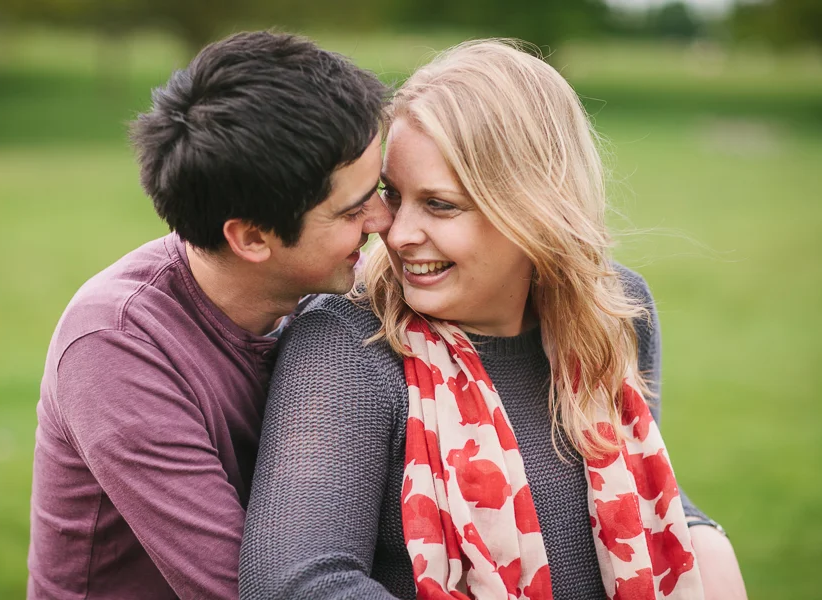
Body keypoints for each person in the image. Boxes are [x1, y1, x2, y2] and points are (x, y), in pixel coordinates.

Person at [240, 40, 747, 599]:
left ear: (532, 209)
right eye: (393, 194)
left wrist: (703, 536)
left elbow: (629, 481)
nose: (396, 232)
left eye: (440, 205)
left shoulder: (614, 310)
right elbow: (295, 583)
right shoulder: (348, 344)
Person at [26, 31, 392, 599]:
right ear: (252, 238)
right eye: (352, 211)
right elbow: (251, 590)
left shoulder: (323, 291)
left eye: (380, 187)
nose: (383, 220)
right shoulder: (116, 346)